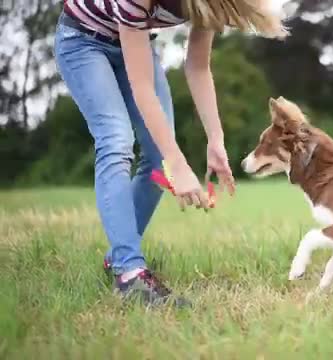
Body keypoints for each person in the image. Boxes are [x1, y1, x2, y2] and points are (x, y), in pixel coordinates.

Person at [53, 0, 288, 306]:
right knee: (116, 138)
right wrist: (176, 162)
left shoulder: (209, 4)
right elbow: (142, 87)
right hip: (83, 42)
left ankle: (118, 257)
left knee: (155, 157)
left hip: (135, 45)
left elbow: (198, 67)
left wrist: (215, 140)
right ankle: (130, 274)